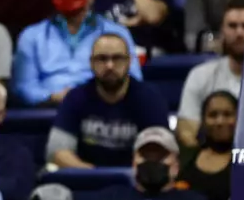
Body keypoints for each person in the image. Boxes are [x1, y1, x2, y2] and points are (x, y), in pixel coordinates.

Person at [11, 0, 142, 106]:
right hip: (47, 111)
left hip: (102, 108)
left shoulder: (117, 33)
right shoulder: (31, 35)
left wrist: (97, 96)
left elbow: (134, 79)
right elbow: (23, 86)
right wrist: (52, 97)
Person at [47, 32, 169, 168]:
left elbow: (158, 154)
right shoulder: (75, 98)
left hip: (135, 179)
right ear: (91, 63)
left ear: (129, 62)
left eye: (117, 58)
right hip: (85, 178)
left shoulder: (149, 99)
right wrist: (95, 175)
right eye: (102, 59)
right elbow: (57, 152)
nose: (110, 65)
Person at [175, 3, 244, 149]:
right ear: (222, 31)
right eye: (232, 26)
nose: (239, 33)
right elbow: (186, 132)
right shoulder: (200, 75)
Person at [178, 91, 237, 200]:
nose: (220, 121)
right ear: (203, 120)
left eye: (227, 114)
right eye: (213, 115)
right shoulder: (185, 158)